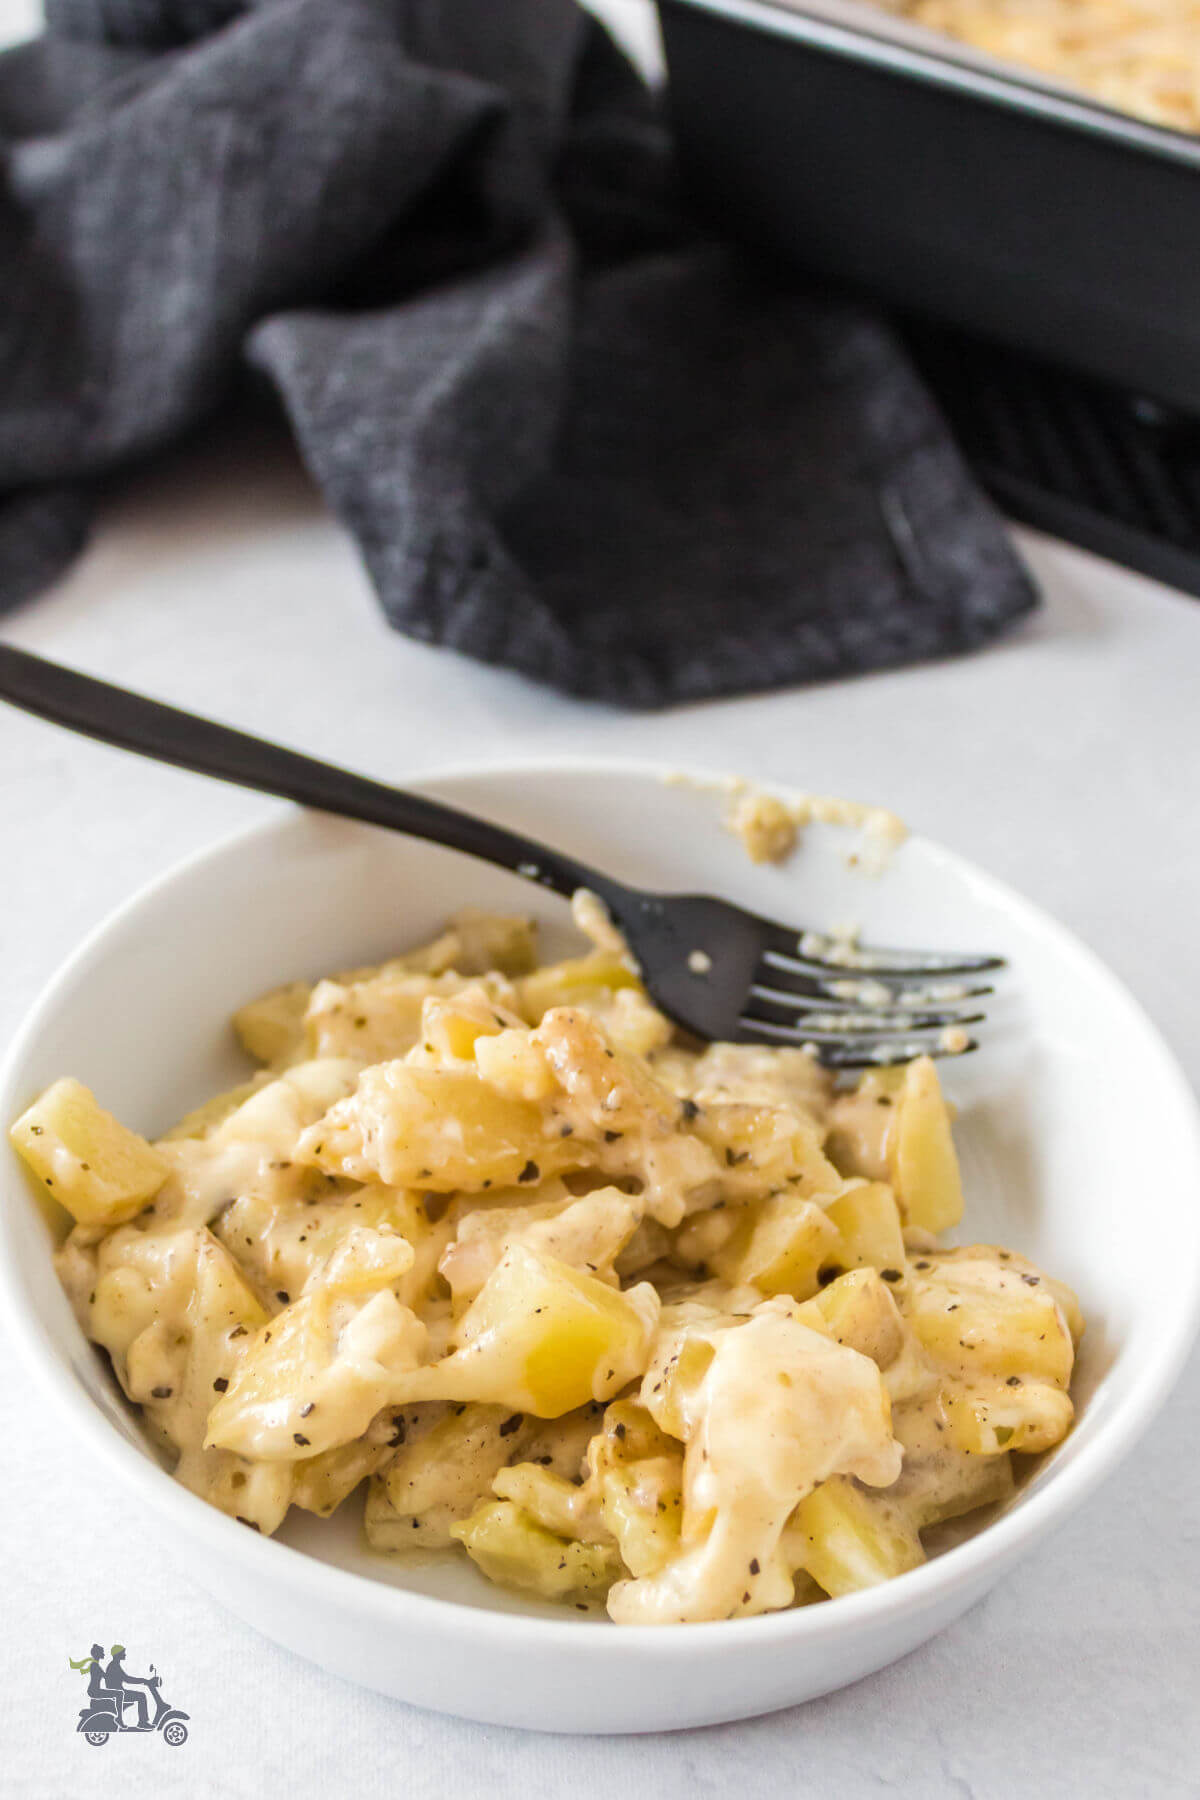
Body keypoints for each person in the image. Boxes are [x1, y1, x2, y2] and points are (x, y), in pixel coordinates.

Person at [103, 1644, 150, 1728]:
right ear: (117, 1654)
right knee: (141, 1696)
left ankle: (142, 1722)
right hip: (118, 1693)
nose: (125, 1654)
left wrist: (144, 1681)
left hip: (119, 1692)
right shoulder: (114, 1666)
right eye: (123, 1653)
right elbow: (127, 1679)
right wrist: (144, 1681)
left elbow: (126, 1679)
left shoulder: (114, 1665)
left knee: (140, 1695)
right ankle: (142, 1722)